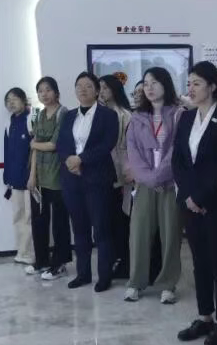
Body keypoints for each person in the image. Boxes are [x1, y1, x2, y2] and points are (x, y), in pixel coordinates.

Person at [172, 62, 217, 345]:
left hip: (215, 202)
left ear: (212, 87)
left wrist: (200, 197)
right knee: (199, 261)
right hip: (190, 202)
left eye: (197, 83)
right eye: (189, 83)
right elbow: (178, 160)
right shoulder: (187, 118)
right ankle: (204, 316)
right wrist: (189, 196)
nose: (191, 88)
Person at [124, 67, 185, 303]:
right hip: (145, 184)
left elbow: (176, 150)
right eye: (146, 83)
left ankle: (168, 284)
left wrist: (160, 177)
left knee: (171, 236)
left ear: (166, 85)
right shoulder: (137, 118)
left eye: (155, 83)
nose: (149, 88)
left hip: (170, 183)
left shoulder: (178, 114)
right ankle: (136, 282)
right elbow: (133, 153)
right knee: (138, 234)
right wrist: (149, 178)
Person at [57, 72, 119, 291]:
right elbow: (61, 143)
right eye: (79, 86)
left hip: (97, 179)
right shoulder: (68, 116)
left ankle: (104, 276)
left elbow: (107, 144)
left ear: (97, 91)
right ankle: (83, 274)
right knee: (80, 229)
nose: (82, 90)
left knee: (101, 229)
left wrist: (81, 159)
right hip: (72, 179)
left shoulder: (108, 115)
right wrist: (69, 160)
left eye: (88, 86)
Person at [27, 77, 72, 280]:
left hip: (58, 174)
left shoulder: (64, 114)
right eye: (40, 91)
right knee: (39, 220)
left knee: (60, 221)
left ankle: (59, 263)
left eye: (48, 90)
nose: (44, 94)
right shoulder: (39, 115)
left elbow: (54, 145)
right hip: (40, 176)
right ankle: (41, 261)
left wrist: (34, 144)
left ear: (56, 92)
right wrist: (32, 176)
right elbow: (35, 149)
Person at [99, 75, 134, 279]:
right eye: (100, 88)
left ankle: (124, 262)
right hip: (103, 174)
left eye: (105, 87)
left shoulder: (124, 114)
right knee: (107, 221)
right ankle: (114, 259)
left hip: (121, 174)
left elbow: (128, 147)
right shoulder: (100, 113)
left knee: (121, 221)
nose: (102, 91)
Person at [3, 87, 35, 268]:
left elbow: (36, 150)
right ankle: (21, 252)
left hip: (30, 179)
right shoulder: (9, 123)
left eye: (15, 99)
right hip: (14, 179)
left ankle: (31, 254)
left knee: (30, 217)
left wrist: (33, 175)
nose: (11, 103)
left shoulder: (31, 119)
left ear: (24, 100)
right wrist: (7, 176)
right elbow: (7, 152)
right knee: (18, 216)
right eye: (8, 100)